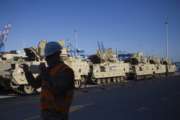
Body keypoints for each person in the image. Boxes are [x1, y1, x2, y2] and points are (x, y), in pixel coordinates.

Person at [22, 41, 75, 120]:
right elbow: (35, 84)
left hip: (59, 114)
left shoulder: (66, 71)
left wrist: (45, 74)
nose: (46, 59)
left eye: (49, 57)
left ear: (57, 55)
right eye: (46, 57)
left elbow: (59, 90)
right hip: (46, 112)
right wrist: (27, 72)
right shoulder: (48, 70)